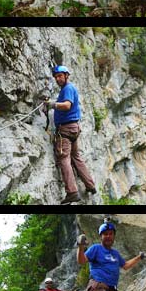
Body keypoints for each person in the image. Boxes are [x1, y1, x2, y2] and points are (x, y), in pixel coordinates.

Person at [44, 66, 96, 204]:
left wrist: (52, 104)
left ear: (66, 75)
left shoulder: (67, 88)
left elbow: (67, 105)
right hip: (73, 129)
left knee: (63, 158)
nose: (57, 79)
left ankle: (72, 192)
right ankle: (90, 185)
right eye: (56, 77)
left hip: (66, 130)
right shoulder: (67, 89)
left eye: (60, 76)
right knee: (76, 157)